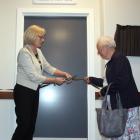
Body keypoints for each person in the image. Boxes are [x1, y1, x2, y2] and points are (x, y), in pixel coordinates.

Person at [11, 25, 72, 140]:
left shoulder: (38, 51)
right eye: (41, 37)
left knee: (31, 126)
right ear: (32, 36)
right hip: (23, 92)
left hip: (34, 91)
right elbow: (33, 76)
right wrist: (54, 80)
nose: (43, 40)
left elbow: (48, 68)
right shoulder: (24, 53)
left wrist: (63, 73)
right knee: (24, 126)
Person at [85, 36, 140, 140]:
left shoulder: (119, 59)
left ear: (104, 48)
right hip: (122, 107)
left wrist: (102, 92)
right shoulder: (113, 61)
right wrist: (91, 79)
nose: (98, 53)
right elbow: (108, 83)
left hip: (127, 106)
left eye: (99, 50)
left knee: (129, 137)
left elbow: (121, 82)